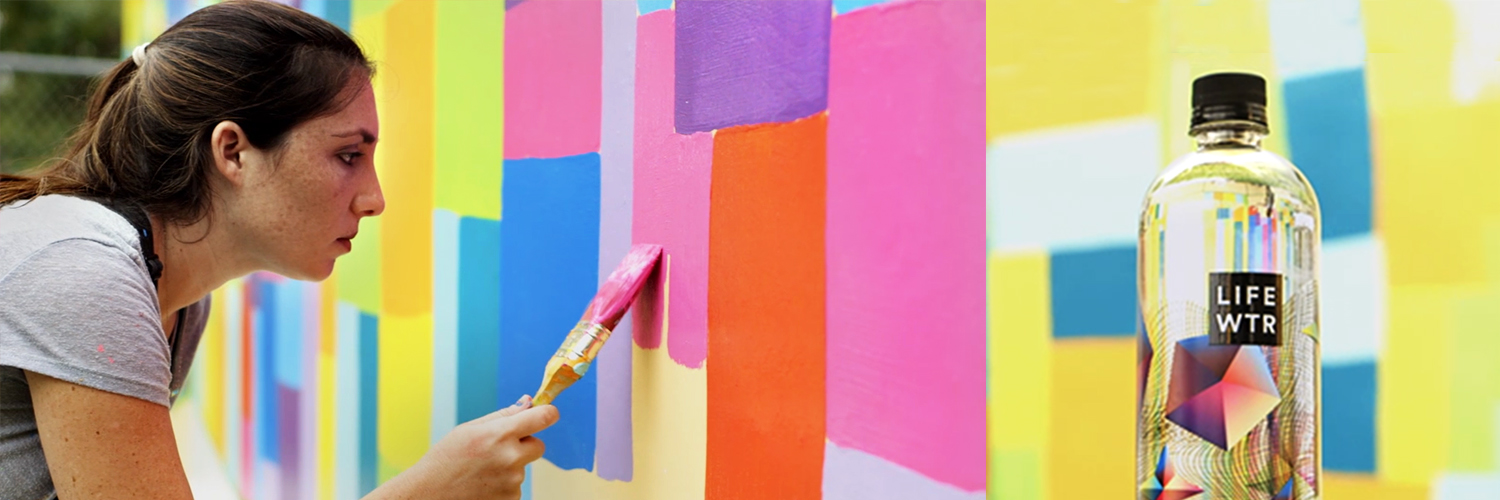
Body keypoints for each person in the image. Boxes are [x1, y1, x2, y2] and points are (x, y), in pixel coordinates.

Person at [0, 1, 557, 498]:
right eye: (347, 156)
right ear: (233, 151)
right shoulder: (85, 272)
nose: (375, 199)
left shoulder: (178, 296)